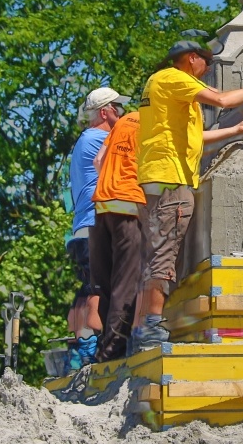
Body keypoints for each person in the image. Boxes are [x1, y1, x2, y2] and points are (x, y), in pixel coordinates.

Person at [131, 39, 243, 351]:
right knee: (164, 254)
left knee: (155, 252)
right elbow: (221, 100)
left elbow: (197, 138)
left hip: (159, 177)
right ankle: (150, 328)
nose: (208, 71)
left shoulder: (169, 90)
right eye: (206, 63)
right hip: (170, 179)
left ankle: (141, 328)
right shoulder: (174, 77)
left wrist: (235, 131)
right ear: (192, 59)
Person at [65, 86, 129, 370]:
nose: (123, 115)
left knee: (86, 288)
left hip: (81, 227)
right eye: (119, 109)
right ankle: (89, 346)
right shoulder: (99, 138)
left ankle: (80, 345)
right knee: (97, 289)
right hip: (93, 225)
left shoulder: (84, 139)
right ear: (105, 112)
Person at [89, 110, 144, 362]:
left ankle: (101, 345)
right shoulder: (156, 123)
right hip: (128, 207)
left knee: (105, 283)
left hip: (101, 206)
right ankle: (113, 352)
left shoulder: (124, 122)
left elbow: (98, 162)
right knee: (126, 282)